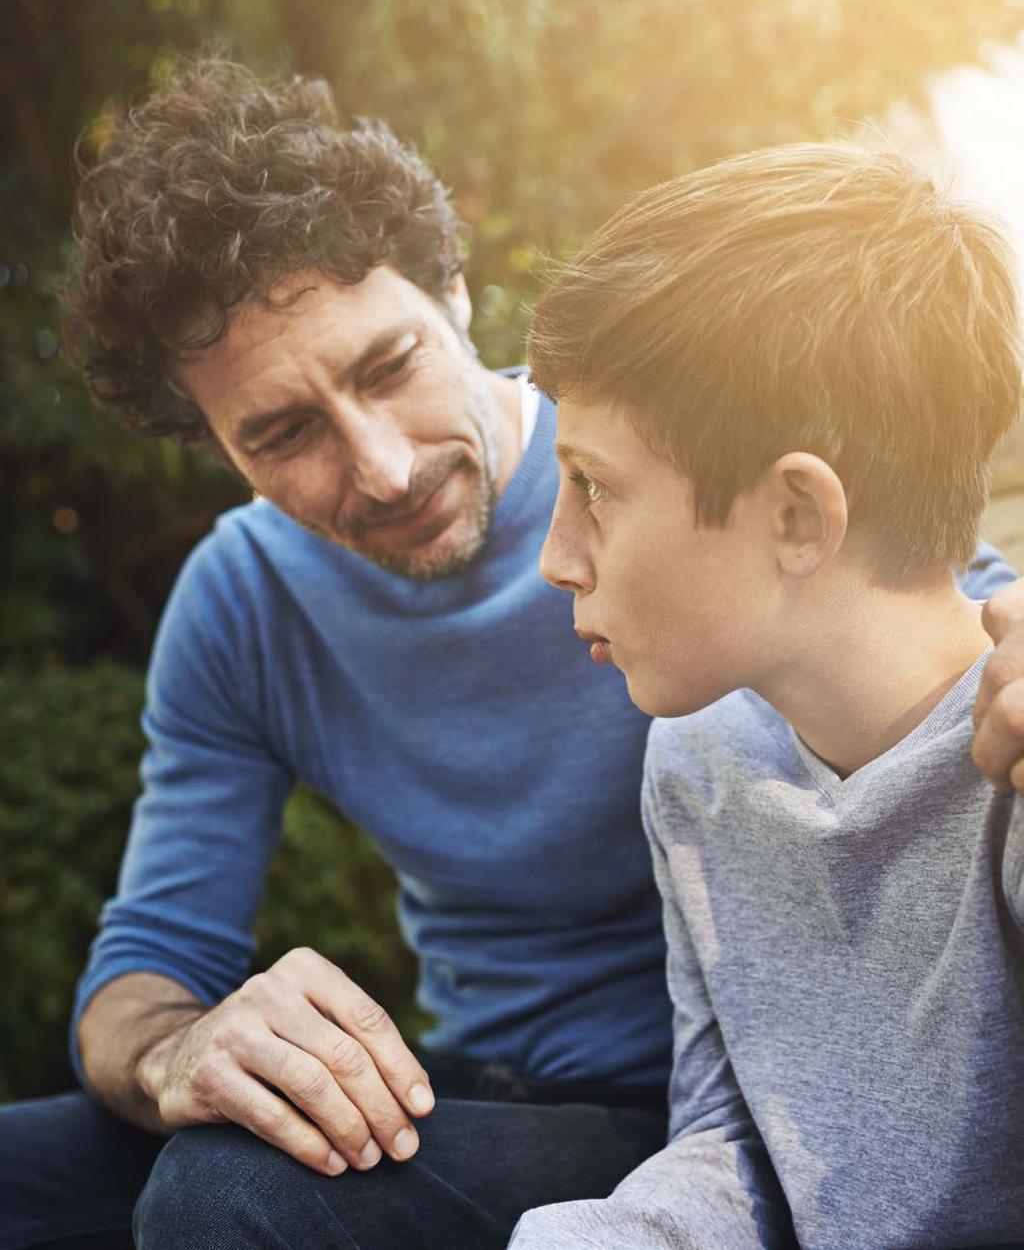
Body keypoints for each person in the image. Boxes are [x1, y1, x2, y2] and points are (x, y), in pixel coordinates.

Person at [0, 60, 1021, 1250]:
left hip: (673, 1111)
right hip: (458, 1091)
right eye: (283, 433)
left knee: (234, 1192)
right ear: (216, 450)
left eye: (389, 366)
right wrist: (182, 1049)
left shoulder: (684, 483)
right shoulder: (242, 603)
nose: (381, 466)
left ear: (455, 291)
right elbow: (151, 958)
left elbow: (908, 600)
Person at [511, 142, 1024, 1248]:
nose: (556, 555)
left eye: (596, 487)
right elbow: (735, 1128)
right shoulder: (696, 755)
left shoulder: (1017, 766)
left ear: (797, 515)